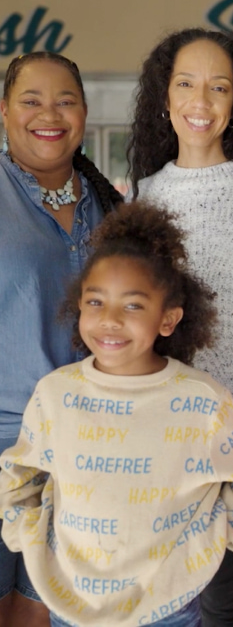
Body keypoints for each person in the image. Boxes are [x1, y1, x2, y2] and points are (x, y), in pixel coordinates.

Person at [0, 201, 233, 627]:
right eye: (96, 302)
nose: (109, 319)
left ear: (168, 319)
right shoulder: (55, 394)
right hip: (69, 605)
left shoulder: (202, 400)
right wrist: (29, 533)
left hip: (168, 609)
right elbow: (19, 472)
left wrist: (213, 538)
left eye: (132, 306)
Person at [127, 28, 233, 627]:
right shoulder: (142, 195)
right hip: (162, 430)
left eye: (218, 87)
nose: (201, 101)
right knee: (166, 598)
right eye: (186, 84)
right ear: (164, 98)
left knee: (223, 601)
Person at [0, 52, 122, 627]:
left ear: (84, 113)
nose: (49, 114)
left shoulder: (109, 206)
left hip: (87, 455)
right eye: (31, 100)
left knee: (43, 612)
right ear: (3, 112)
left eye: (65, 100)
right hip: (4, 449)